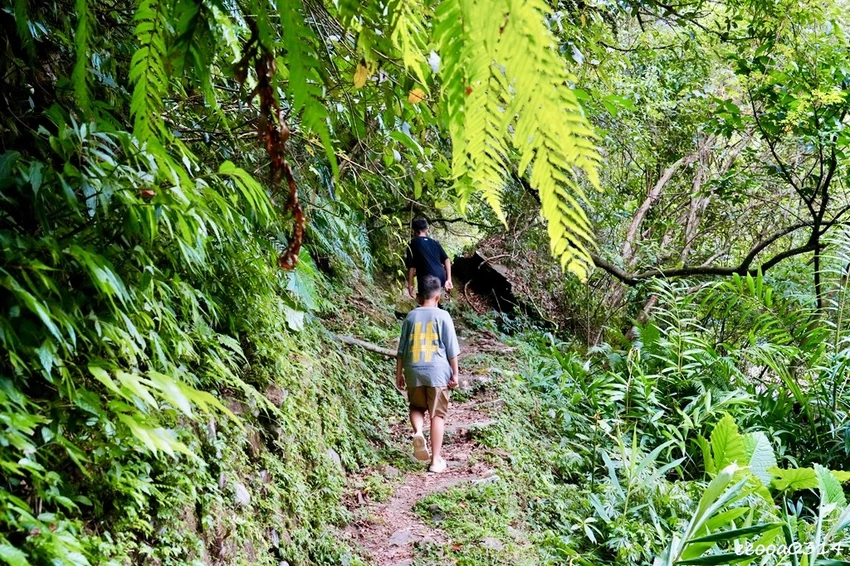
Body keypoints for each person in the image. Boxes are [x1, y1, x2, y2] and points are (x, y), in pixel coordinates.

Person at [395, 275, 460, 473]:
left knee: (416, 406)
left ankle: (417, 432)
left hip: (413, 369)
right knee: (437, 415)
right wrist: (455, 375)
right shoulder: (443, 317)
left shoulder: (411, 317)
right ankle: (436, 460)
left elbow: (401, 350)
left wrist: (399, 374)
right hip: (438, 372)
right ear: (438, 297)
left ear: (418, 296)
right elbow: (451, 350)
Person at [405, 218, 453, 300]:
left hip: (427, 277)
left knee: (426, 301)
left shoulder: (412, 243)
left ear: (414, 230)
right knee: (435, 299)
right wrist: (449, 279)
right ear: (426, 229)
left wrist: (410, 284)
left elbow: (411, 266)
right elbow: (447, 259)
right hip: (441, 276)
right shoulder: (435, 243)